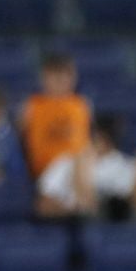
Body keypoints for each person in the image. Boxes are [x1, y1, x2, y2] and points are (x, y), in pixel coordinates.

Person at [37, 114, 136, 220]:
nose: (102, 139)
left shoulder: (125, 166)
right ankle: (91, 213)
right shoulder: (67, 162)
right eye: (100, 134)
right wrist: (72, 210)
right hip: (82, 222)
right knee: (83, 161)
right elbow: (43, 206)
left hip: (127, 223)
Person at [18, 52, 91, 181]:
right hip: (49, 170)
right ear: (44, 77)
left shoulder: (81, 105)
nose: (60, 80)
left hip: (79, 167)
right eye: (55, 75)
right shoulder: (32, 106)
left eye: (65, 75)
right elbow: (20, 143)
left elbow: (87, 141)